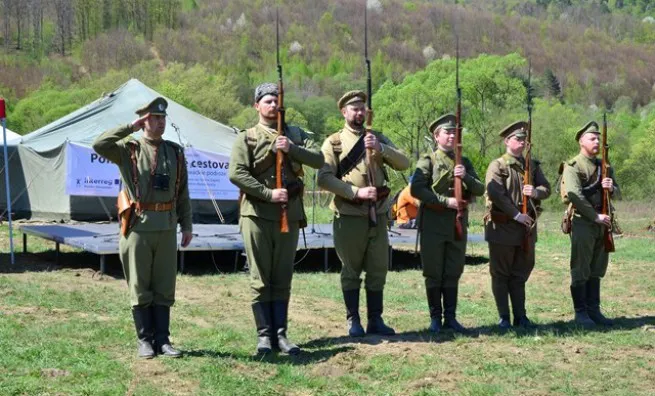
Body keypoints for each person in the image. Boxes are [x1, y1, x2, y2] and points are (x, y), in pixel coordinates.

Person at [93, 97, 192, 359]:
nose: (160, 123)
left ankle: (163, 340)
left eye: (162, 118)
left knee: (164, 285)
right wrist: (129, 127)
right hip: (138, 227)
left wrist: (187, 225)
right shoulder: (129, 150)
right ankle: (145, 340)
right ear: (144, 121)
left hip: (167, 227)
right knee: (140, 286)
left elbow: (182, 193)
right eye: (153, 118)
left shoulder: (175, 152)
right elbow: (99, 144)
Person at [228, 82, 324, 354]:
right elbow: (237, 173)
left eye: (276, 102)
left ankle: (281, 335)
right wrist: (268, 194)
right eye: (268, 101)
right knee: (260, 278)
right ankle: (264, 336)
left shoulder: (296, 134)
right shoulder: (246, 138)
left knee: (283, 276)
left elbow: (319, 160)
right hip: (257, 215)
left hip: (288, 216)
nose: (273, 106)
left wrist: (292, 148)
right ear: (256, 105)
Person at [317, 90, 409, 337]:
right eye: (353, 108)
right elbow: (323, 178)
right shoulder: (334, 142)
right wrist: (355, 192)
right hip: (349, 214)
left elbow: (404, 163)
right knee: (351, 269)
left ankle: (375, 320)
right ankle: (353, 320)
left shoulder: (377, 138)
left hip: (378, 215)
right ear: (344, 112)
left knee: (378, 268)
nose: (359, 112)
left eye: (362, 108)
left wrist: (381, 149)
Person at [410, 114, 485, 334]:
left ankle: (450, 318)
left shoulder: (464, 161)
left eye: (455, 132)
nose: (452, 136)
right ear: (436, 136)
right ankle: (435, 318)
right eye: (447, 132)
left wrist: (466, 177)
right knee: (434, 271)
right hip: (434, 223)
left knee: (453, 270)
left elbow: (480, 189)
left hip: (457, 224)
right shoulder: (428, 160)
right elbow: (416, 189)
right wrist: (445, 201)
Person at [484, 121, 551, 329]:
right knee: (501, 273)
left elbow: (546, 189)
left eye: (524, 140)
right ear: (507, 141)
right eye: (518, 139)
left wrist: (536, 192)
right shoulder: (498, 165)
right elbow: (497, 194)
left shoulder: (532, 166)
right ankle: (504, 317)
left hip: (526, 231)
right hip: (503, 230)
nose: (522, 143)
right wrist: (515, 215)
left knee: (520, 273)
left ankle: (521, 316)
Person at [561, 121, 620, 327]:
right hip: (583, 222)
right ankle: (581, 313)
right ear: (581, 141)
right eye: (592, 138)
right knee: (581, 267)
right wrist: (595, 217)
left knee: (597, 268)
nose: (596, 141)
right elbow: (573, 195)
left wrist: (611, 188)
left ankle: (594, 310)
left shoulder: (605, 167)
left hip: (602, 223)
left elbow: (619, 194)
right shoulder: (573, 166)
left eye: (598, 138)